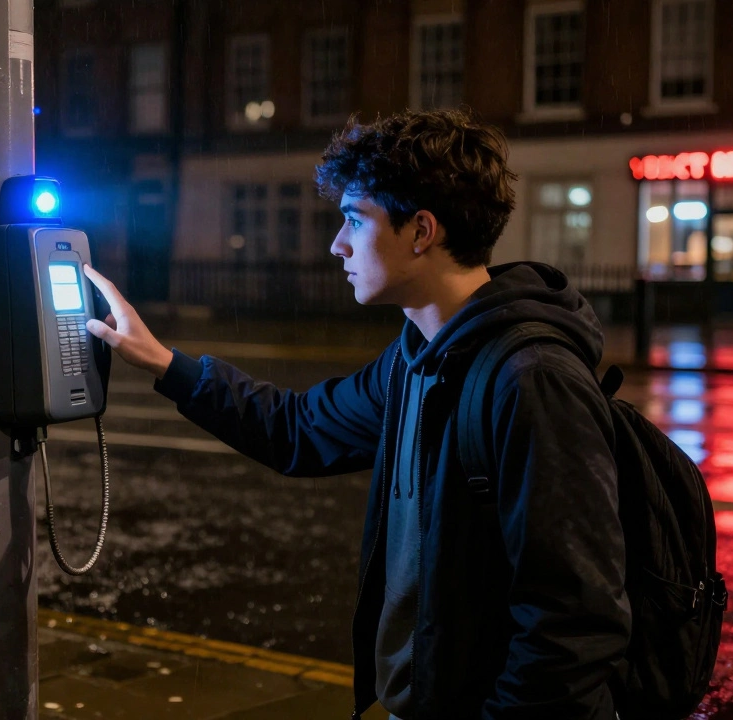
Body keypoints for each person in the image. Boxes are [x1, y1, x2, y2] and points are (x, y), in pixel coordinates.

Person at [83, 110, 631, 719]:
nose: (336, 244)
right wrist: (163, 361)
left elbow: (575, 618)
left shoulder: (532, 380)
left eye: (354, 219)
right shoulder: (417, 358)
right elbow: (297, 430)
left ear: (421, 231)